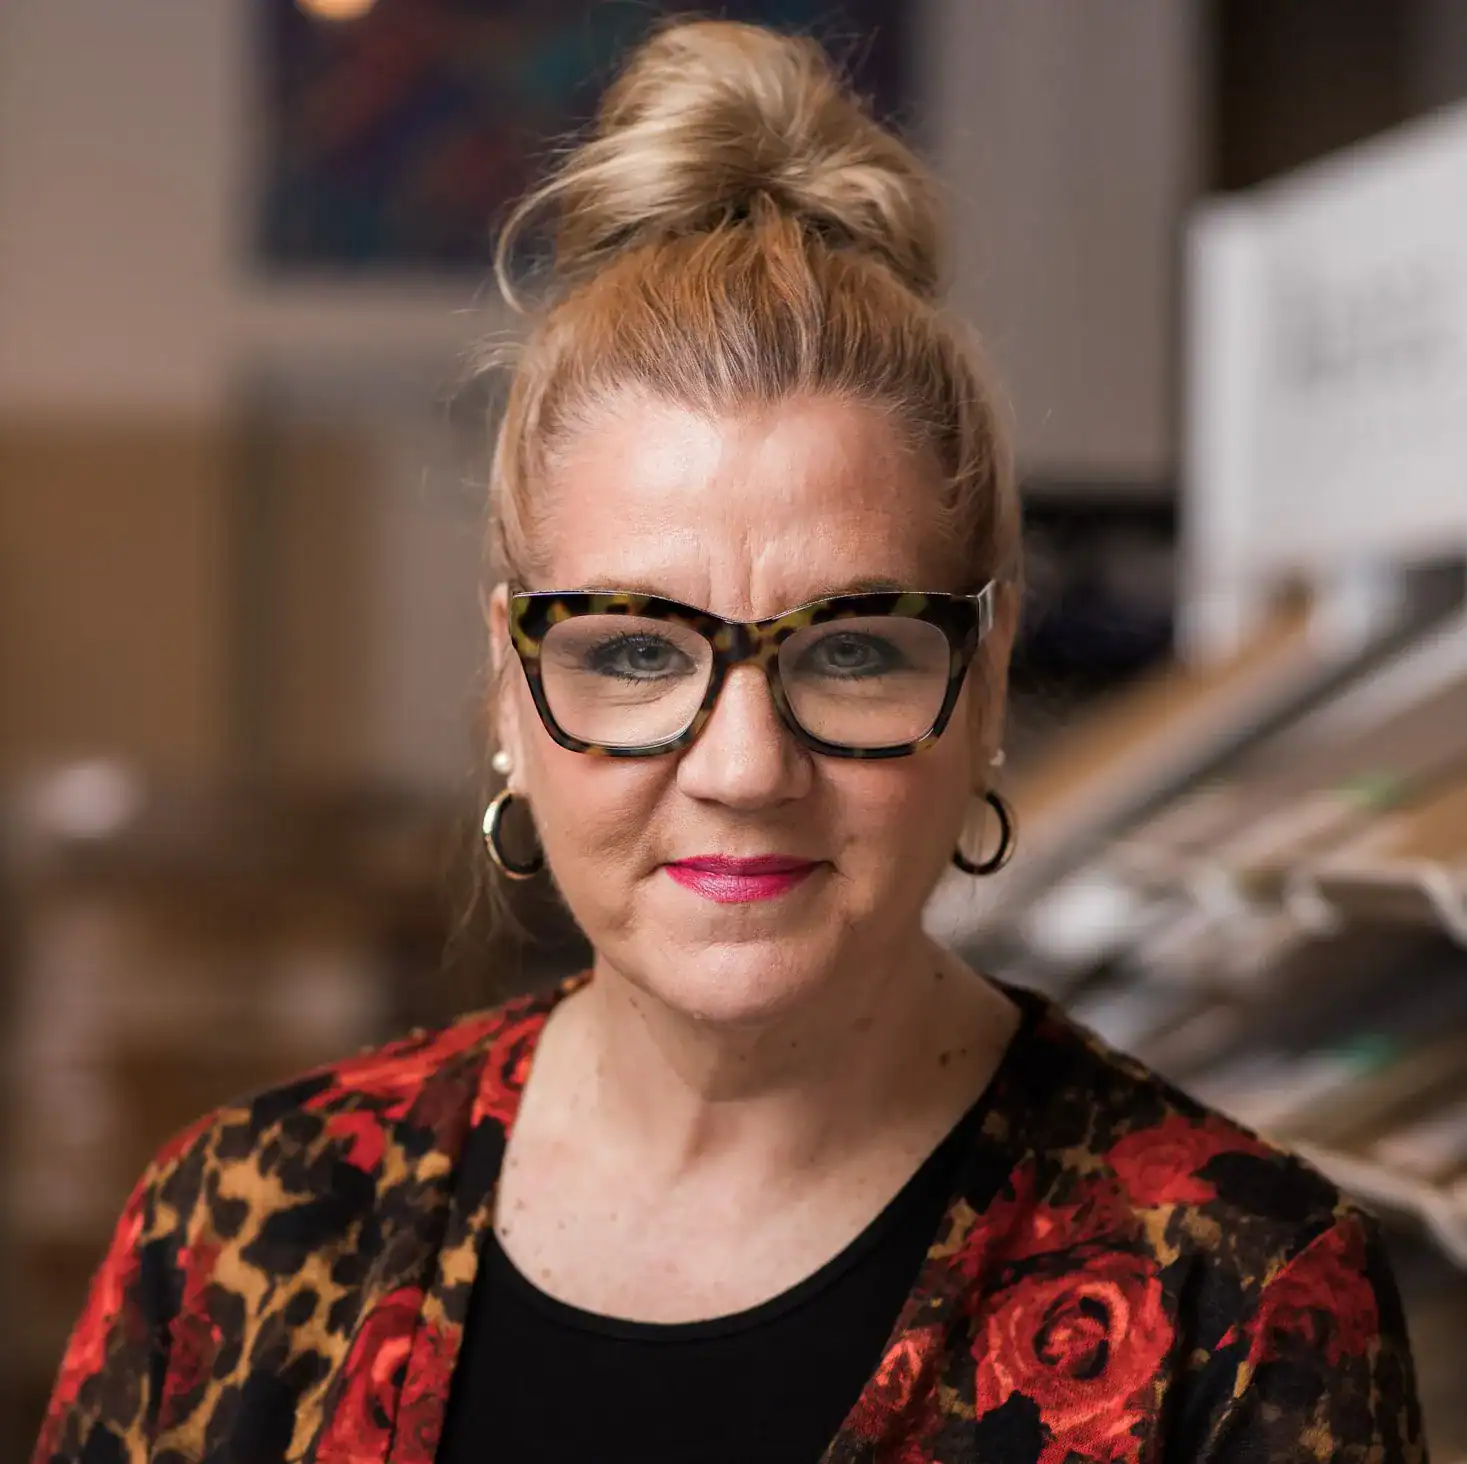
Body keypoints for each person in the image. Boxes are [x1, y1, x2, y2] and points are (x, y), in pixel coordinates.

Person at [34, 19, 1426, 1464]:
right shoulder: (235, 1236)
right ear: (510, 684)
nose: (746, 768)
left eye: (851, 650)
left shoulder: (1235, 1296)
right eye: (635, 651)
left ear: (986, 680)